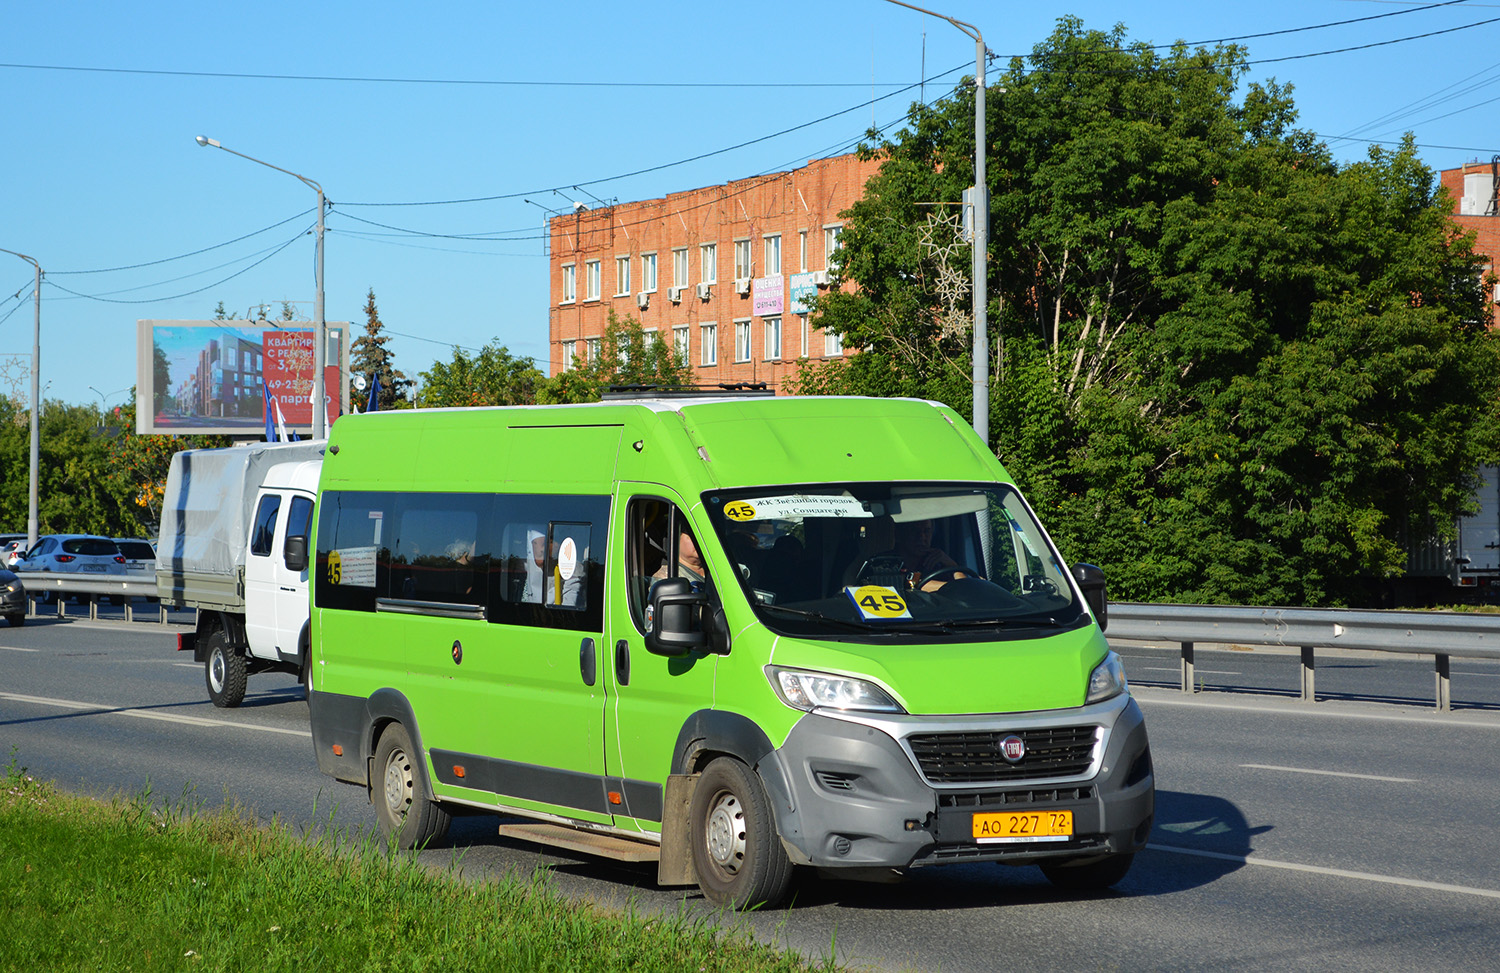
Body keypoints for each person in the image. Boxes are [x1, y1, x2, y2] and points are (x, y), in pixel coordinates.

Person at [894, 519, 964, 591]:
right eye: (914, 531)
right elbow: (909, 584)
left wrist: (953, 566)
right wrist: (952, 588)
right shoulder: (888, 563)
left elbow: (967, 589)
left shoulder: (936, 566)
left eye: (926, 531)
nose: (922, 537)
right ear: (899, 534)